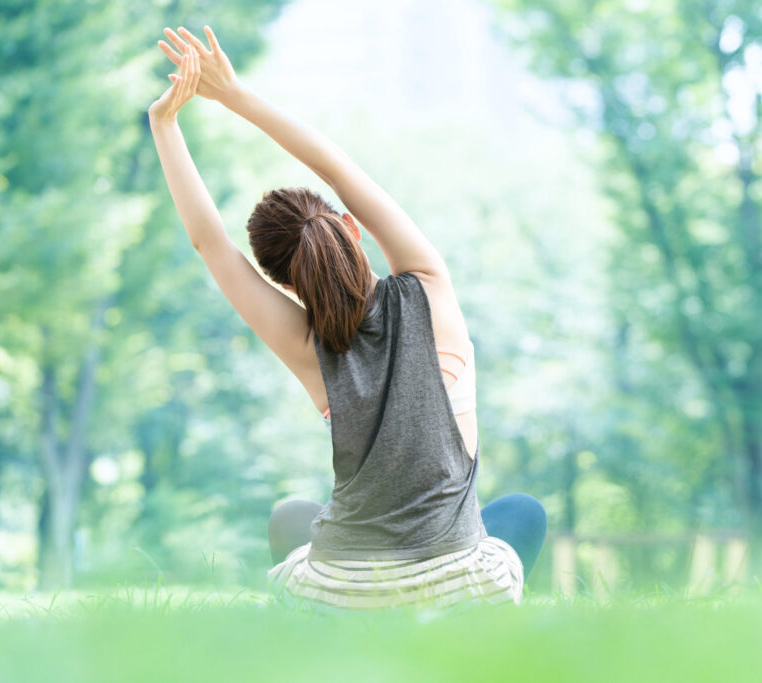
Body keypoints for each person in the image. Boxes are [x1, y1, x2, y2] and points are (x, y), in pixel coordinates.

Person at [148, 25, 546, 610]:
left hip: (340, 596)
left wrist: (164, 123)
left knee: (292, 517)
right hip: (465, 585)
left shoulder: (308, 346)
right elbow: (338, 170)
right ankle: (439, 618)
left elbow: (211, 243)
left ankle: (374, 617)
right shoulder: (429, 287)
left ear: (285, 282)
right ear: (352, 230)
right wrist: (234, 96)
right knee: (521, 514)